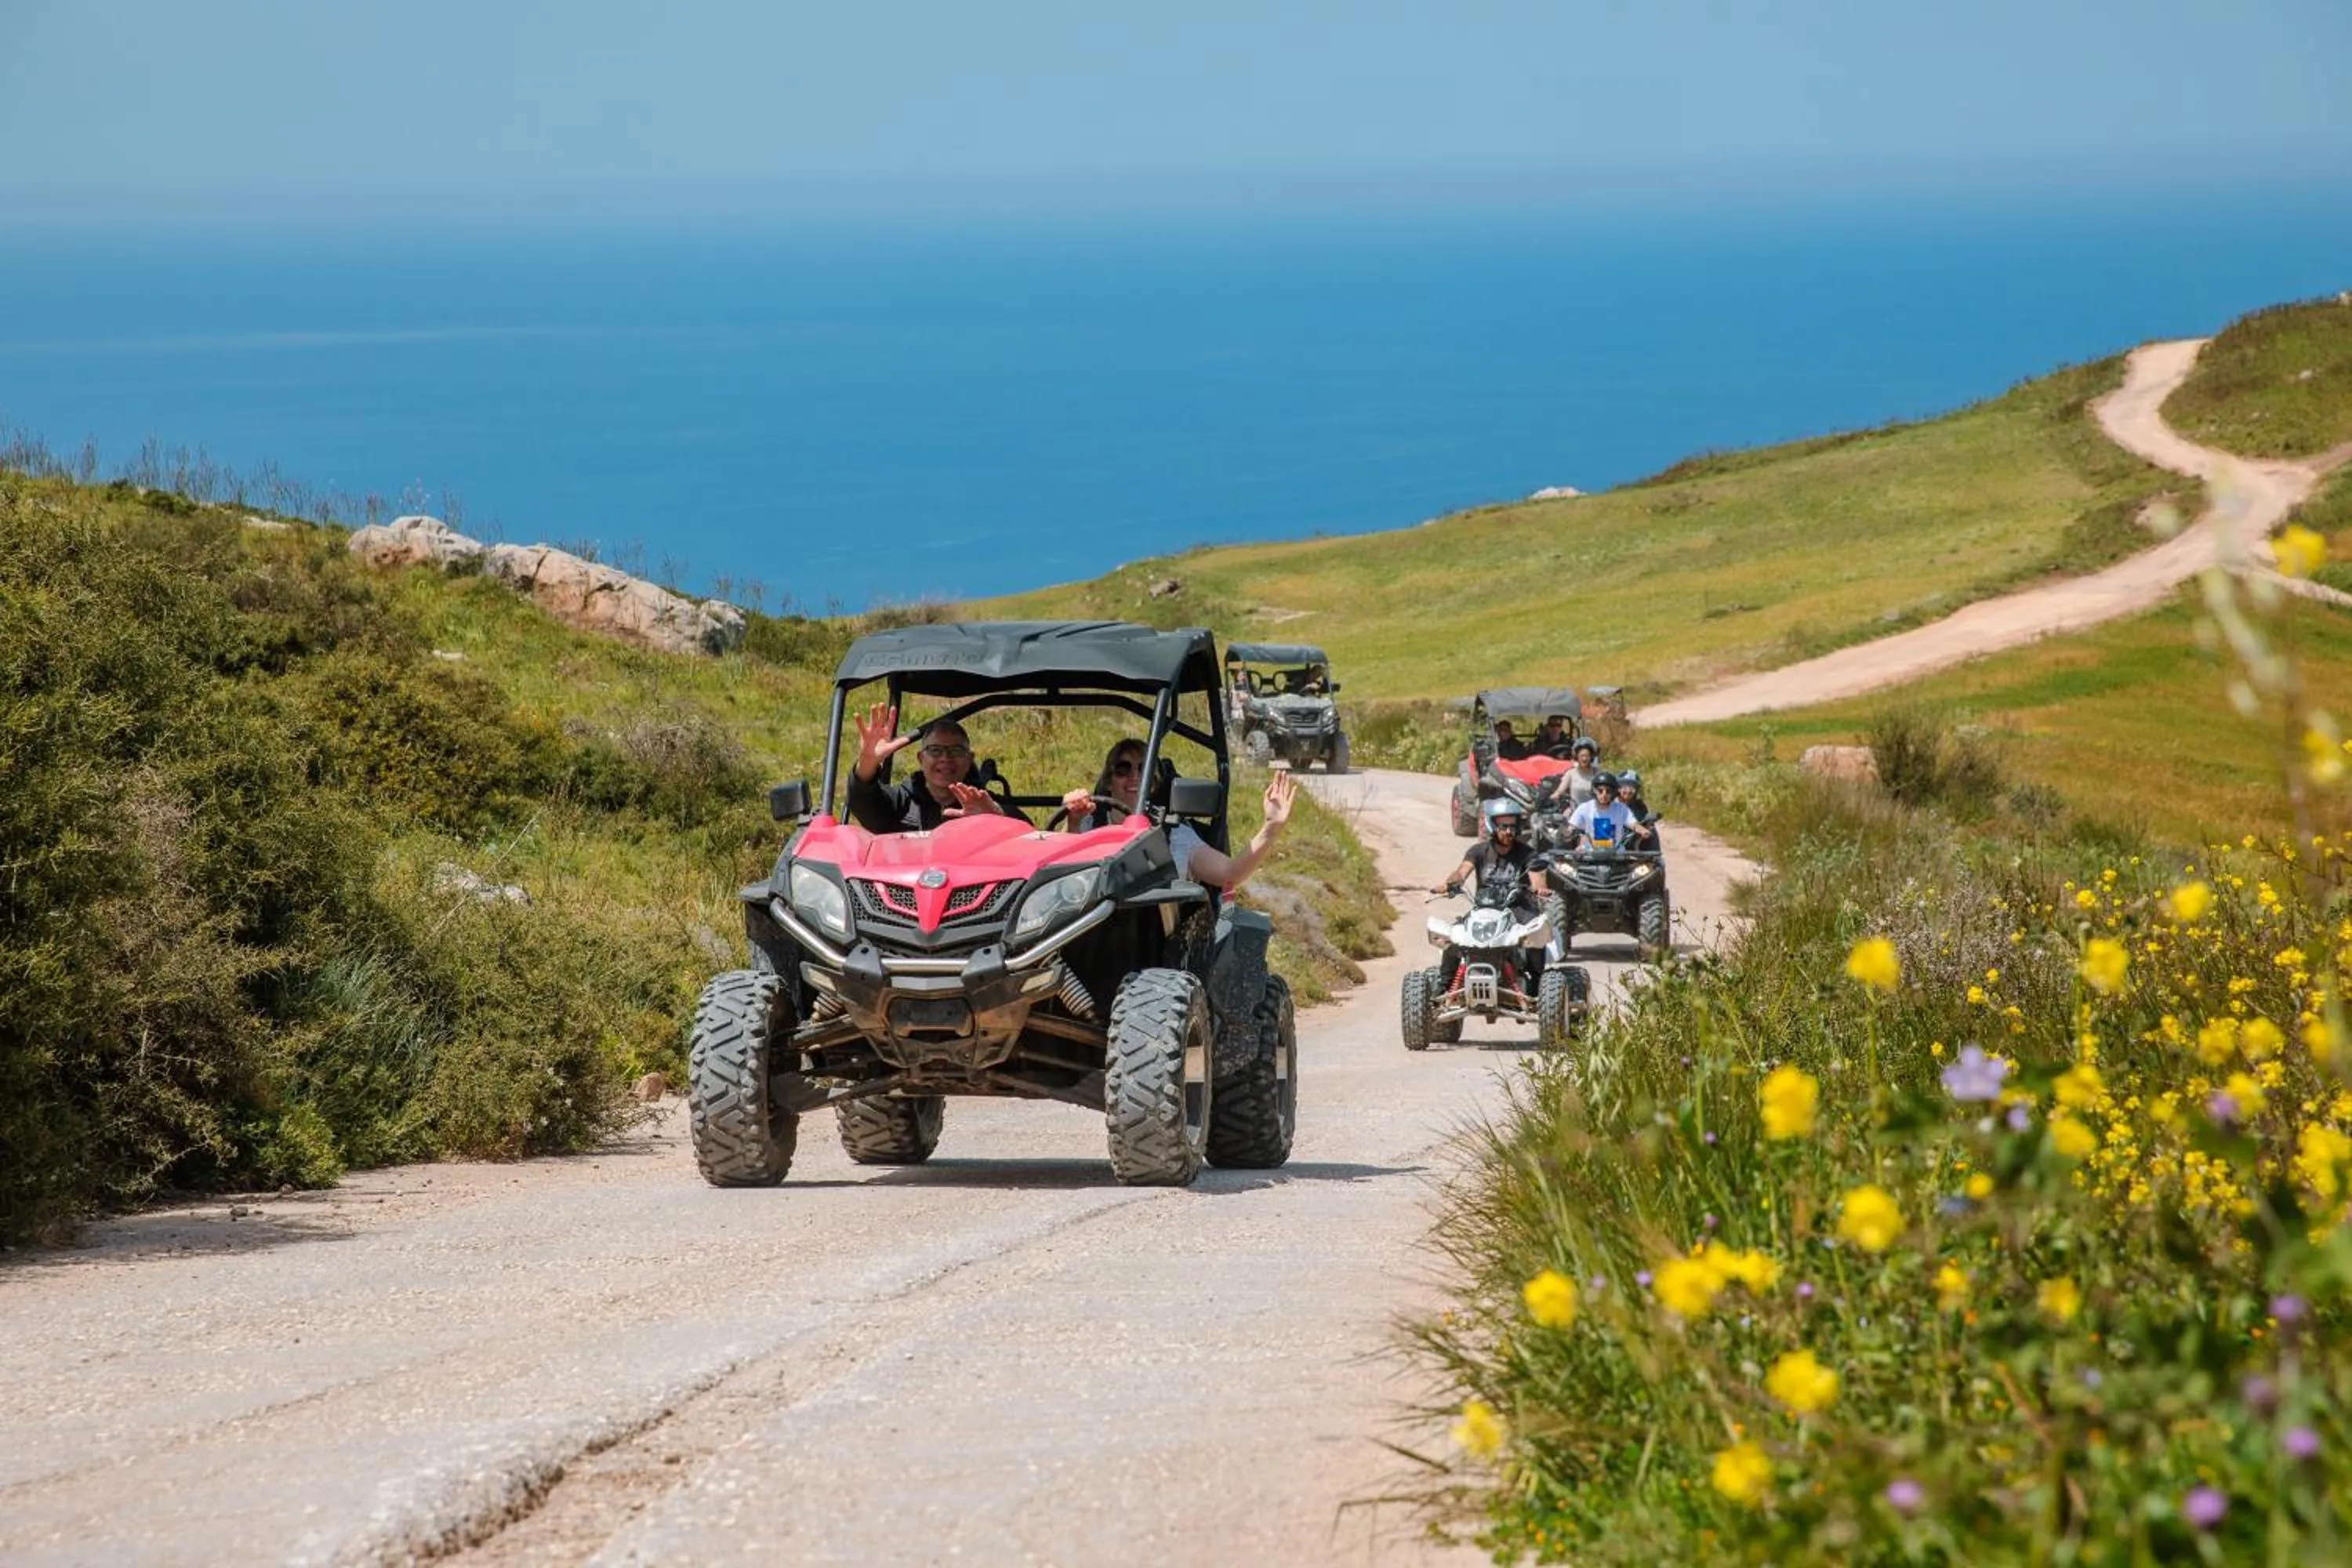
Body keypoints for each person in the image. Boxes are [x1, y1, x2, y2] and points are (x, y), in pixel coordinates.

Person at [1059, 738, 1298, 893]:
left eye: (1143, 769)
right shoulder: (1087, 825)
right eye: (1123, 769)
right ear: (1109, 781)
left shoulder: (1174, 835)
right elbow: (1058, 877)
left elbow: (1230, 874)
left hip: (1159, 955)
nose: (1134, 776)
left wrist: (1271, 828)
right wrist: (1072, 822)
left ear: (1153, 783)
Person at [1431, 797, 1555, 984]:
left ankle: (1537, 985)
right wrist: (1449, 884)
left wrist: (1540, 890)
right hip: (1484, 908)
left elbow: (1537, 879)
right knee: (1455, 936)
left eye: (1513, 827)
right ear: (1492, 825)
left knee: (1535, 934)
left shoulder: (1527, 853)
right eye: (1503, 827)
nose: (1509, 832)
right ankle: (1444, 986)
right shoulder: (1479, 851)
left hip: (1518, 908)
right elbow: (1462, 871)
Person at [844, 704, 1009, 833]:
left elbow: (1029, 838)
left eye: (956, 751)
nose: (945, 758)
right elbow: (865, 805)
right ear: (921, 759)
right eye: (935, 750)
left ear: (969, 759)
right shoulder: (900, 803)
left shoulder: (984, 803)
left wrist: (996, 819)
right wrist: (867, 763)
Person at [1564, 772, 1654, 851]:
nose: (1604, 794)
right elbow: (1572, 826)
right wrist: (1568, 832)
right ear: (1594, 791)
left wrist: (1643, 831)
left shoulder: (1621, 809)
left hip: (1617, 855)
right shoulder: (1584, 808)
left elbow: (1634, 825)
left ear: (1614, 793)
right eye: (1600, 791)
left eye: (1608, 791)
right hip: (1589, 854)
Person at [1561, 737, 1602, 808]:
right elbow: (1560, 790)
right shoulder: (1571, 773)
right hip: (1575, 812)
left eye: (1587, 756)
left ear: (1592, 757)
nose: (1584, 759)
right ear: (1577, 757)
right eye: (1582, 756)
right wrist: (1554, 796)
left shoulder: (1598, 773)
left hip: (1594, 812)